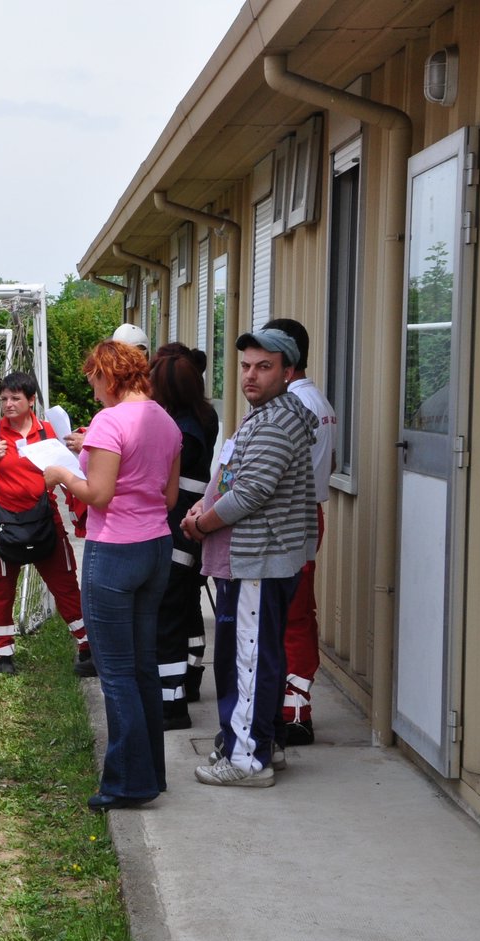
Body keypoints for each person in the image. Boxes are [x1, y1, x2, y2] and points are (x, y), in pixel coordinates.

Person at [179, 328, 318, 788]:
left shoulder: (277, 421)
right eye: (245, 366)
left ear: (288, 371)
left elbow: (253, 492)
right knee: (263, 657)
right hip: (258, 561)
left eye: (264, 367)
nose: (251, 376)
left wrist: (201, 523)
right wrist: (207, 503)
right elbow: (236, 475)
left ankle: (246, 760)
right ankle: (266, 742)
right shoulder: (272, 413)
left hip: (257, 562)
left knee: (248, 660)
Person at [47, 341, 181, 810]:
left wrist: (61, 475)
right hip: (156, 546)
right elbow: (166, 499)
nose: (94, 390)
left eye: (94, 381)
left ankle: (127, 782)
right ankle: (152, 772)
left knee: (116, 671)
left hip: (115, 549)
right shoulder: (164, 419)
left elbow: (99, 494)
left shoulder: (109, 421)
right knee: (143, 665)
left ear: (109, 376)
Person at [0, 371, 90, 676]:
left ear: (31, 400)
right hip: (3, 523)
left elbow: (76, 464)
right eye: (4, 398)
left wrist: (80, 448)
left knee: (65, 582)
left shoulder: (50, 431)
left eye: (15, 398)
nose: (8, 404)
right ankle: (1, 652)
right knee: (1, 586)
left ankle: (86, 646)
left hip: (44, 519)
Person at [264, 317, 337, 746]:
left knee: (290, 612)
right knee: (296, 609)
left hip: (291, 517)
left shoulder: (294, 406)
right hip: (307, 512)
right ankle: (293, 703)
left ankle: (295, 709)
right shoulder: (317, 400)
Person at [148, 345, 219, 730]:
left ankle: (171, 704)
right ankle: (188, 682)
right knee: (186, 607)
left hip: (178, 526)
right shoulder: (200, 417)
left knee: (168, 615)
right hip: (187, 526)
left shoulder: (181, 430)